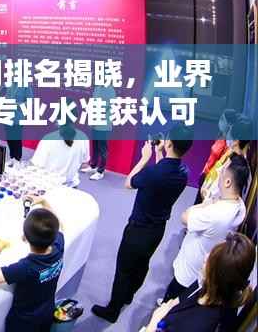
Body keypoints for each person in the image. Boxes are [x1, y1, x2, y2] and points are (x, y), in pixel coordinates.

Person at [92, 125, 193, 323]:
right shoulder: (183, 173)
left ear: (169, 143)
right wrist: (159, 153)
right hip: (157, 230)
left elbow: (129, 182)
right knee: (141, 264)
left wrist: (144, 158)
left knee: (124, 269)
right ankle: (128, 295)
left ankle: (112, 310)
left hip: (138, 228)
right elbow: (162, 173)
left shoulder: (153, 172)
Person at [163, 154, 248, 301]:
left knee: (171, 299)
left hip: (188, 271)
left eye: (222, 170)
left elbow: (184, 217)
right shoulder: (240, 206)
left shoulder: (213, 214)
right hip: (201, 267)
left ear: (228, 182)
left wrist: (204, 205)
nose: (219, 172)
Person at [0, 196, 64, 332]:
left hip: (23, 323)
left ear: (24, 238)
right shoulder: (59, 245)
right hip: (46, 313)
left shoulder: (25, 267)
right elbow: (58, 226)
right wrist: (44, 202)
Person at [145, 232, 255, 332]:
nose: (206, 256)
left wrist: (154, 321)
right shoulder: (209, 285)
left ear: (217, 275)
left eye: (210, 258)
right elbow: (179, 300)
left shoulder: (199, 325)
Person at [201, 116, 252, 202]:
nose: (228, 136)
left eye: (230, 134)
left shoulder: (238, 168)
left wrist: (207, 196)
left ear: (236, 141)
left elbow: (221, 193)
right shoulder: (230, 154)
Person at [194, 109, 237, 204]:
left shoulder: (229, 145)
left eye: (223, 119)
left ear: (229, 124)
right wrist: (204, 171)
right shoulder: (221, 136)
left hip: (212, 177)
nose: (220, 121)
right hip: (206, 172)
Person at [81, 85, 116, 180]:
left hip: (104, 125)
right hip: (95, 123)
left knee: (102, 148)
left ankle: (100, 171)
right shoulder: (97, 88)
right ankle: (93, 166)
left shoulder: (110, 90)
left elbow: (106, 107)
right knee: (95, 146)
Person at [5, 82, 33, 166]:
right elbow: (7, 96)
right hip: (8, 115)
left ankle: (17, 158)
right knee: (9, 138)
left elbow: (30, 101)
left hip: (18, 116)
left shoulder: (25, 85)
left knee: (16, 139)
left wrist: (17, 105)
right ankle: (12, 157)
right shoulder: (9, 84)